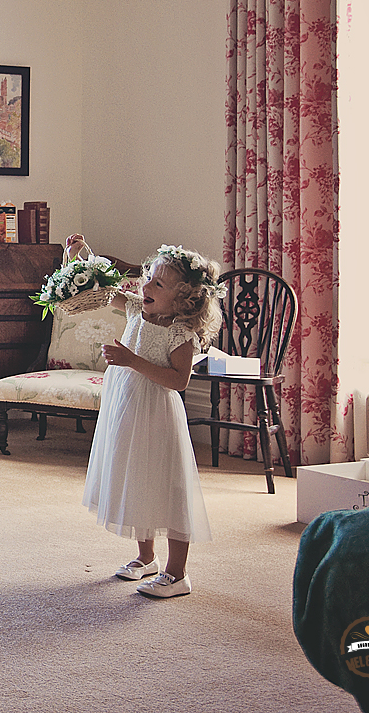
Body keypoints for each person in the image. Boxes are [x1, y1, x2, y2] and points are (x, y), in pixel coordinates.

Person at [68, 233, 222, 599]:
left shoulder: (181, 333)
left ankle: (177, 573)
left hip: (156, 414)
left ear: (183, 297)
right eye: (148, 277)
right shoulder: (138, 308)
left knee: (167, 485)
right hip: (126, 406)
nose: (145, 285)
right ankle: (146, 557)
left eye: (157, 282)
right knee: (136, 478)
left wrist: (131, 361)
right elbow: (102, 289)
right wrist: (77, 257)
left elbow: (178, 381)